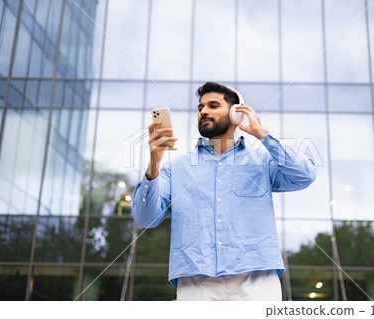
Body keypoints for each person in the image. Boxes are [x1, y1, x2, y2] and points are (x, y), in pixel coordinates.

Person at [132, 82, 316, 301]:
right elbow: (145, 219)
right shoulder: (175, 168)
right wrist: (153, 164)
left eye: (213, 105)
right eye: (201, 108)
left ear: (235, 114)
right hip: (195, 282)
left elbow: (305, 175)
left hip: (257, 280)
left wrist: (261, 134)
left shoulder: (263, 162)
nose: (204, 112)